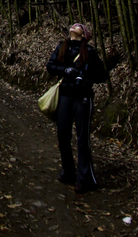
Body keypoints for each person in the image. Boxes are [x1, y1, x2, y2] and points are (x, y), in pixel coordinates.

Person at [46, 22, 109, 194]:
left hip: (83, 97)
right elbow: (50, 66)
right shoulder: (62, 47)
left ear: (84, 34)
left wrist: (86, 78)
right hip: (65, 95)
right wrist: (65, 70)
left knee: (82, 138)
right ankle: (68, 171)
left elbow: (102, 75)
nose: (75, 26)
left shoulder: (89, 51)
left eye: (79, 26)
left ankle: (84, 178)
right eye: (73, 25)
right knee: (63, 134)